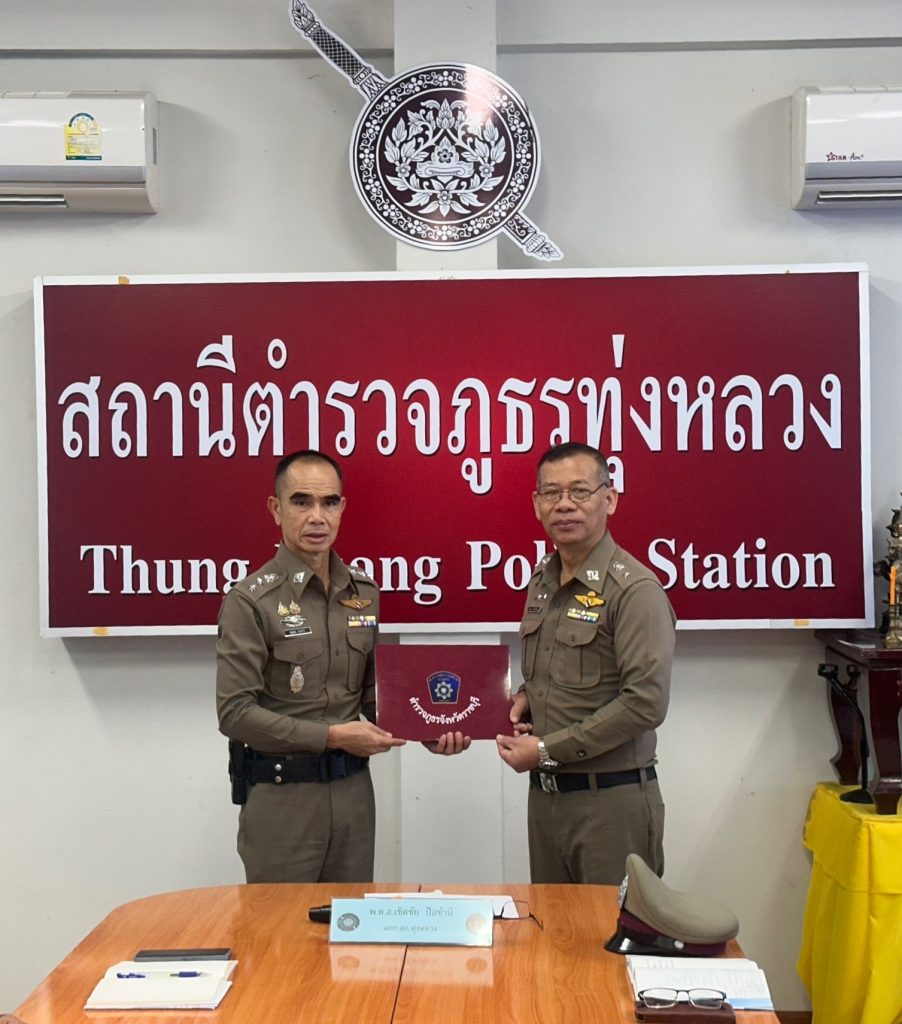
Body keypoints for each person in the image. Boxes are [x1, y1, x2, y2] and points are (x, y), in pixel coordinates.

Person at [217, 449, 468, 883]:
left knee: (350, 924)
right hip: (283, 800)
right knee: (280, 925)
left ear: (342, 508)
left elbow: (374, 697)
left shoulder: (363, 594)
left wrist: (430, 725)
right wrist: (333, 736)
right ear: (276, 509)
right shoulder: (250, 601)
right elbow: (234, 713)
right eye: (301, 502)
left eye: (329, 502)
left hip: (353, 796)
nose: (317, 517)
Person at [496, 441, 675, 884]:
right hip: (547, 800)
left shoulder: (634, 590)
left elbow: (645, 704)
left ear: (609, 499)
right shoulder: (543, 580)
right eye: (551, 493)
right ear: (537, 505)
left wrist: (544, 749)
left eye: (580, 491)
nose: (565, 505)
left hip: (610, 804)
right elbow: (556, 674)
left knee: (610, 929)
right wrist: (525, 699)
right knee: (550, 928)